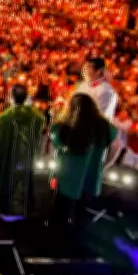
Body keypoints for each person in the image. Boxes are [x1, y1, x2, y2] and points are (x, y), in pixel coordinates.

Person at [48, 93, 118, 226]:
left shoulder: (63, 127)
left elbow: (55, 145)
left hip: (67, 177)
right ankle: (77, 230)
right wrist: (105, 164)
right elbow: (116, 147)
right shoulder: (105, 127)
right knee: (82, 214)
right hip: (90, 177)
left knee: (60, 212)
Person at [0, 84, 45, 221]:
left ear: (10, 97)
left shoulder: (4, 118)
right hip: (28, 160)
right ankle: (24, 209)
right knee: (26, 180)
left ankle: (8, 211)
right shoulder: (36, 117)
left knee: (8, 181)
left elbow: (0, 145)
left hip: (10, 162)